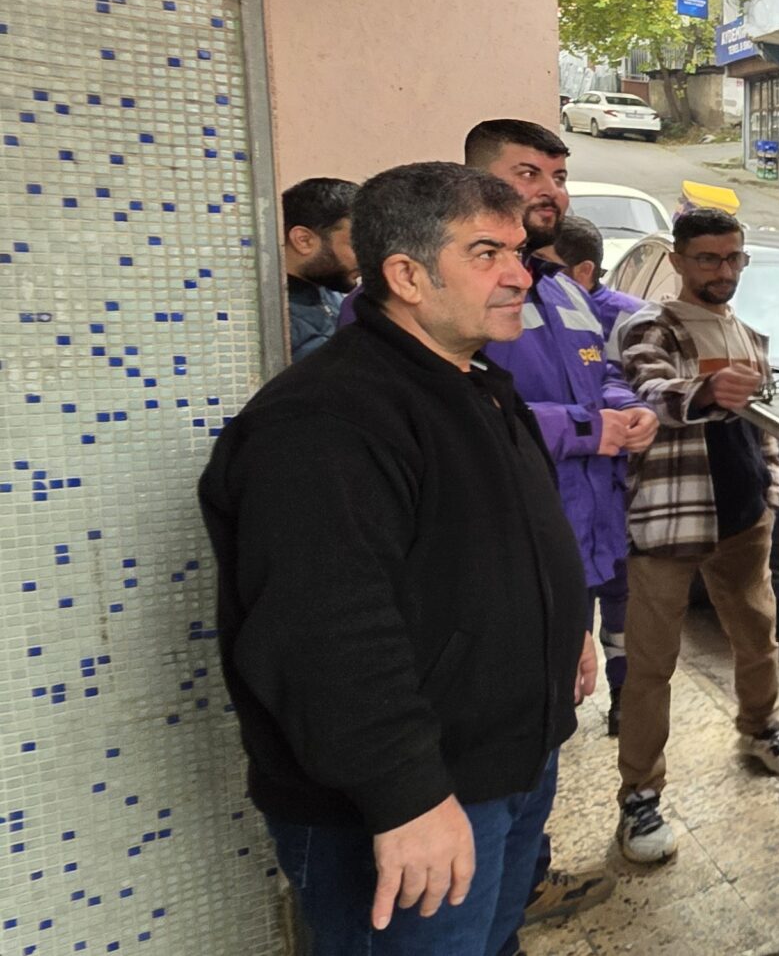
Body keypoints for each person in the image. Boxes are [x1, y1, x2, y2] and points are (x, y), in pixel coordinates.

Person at [202, 162, 594, 956]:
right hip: (414, 798)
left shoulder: (477, 384)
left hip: (506, 766)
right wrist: (407, 795)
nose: (520, 275)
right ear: (407, 276)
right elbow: (322, 629)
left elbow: (508, 542)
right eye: (486, 253)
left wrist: (567, 632)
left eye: (518, 253)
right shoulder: (326, 419)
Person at [341, 120, 641, 922]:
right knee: (453, 890)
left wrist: (622, 408)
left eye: (559, 176)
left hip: (557, 575)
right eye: (528, 172)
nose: (551, 191)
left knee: (527, 785)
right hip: (462, 654)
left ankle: (523, 884)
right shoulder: (363, 379)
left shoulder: (557, 290)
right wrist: (408, 794)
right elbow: (336, 629)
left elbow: (597, 376)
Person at [612, 208, 779, 865]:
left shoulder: (747, 334)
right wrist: (706, 391)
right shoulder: (651, 326)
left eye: (733, 258)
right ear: (678, 260)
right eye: (707, 258)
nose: (723, 271)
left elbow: (764, 427)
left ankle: (760, 726)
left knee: (757, 636)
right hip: (671, 520)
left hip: (743, 518)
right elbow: (650, 392)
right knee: (650, 664)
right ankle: (640, 794)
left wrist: (769, 491)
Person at [538, 213, 647, 732]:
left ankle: (623, 693)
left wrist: (630, 409)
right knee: (569, 610)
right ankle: (563, 703)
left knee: (623, 607)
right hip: (558, 504)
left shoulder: (610, 311)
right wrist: (585, 427)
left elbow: (607, 377)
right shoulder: (506, 306)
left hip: (610, 493)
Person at [281, 176, 360, 360]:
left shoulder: (332, 292)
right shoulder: (271, 318)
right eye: (358, 245)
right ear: (304, 240)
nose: (368, 259)